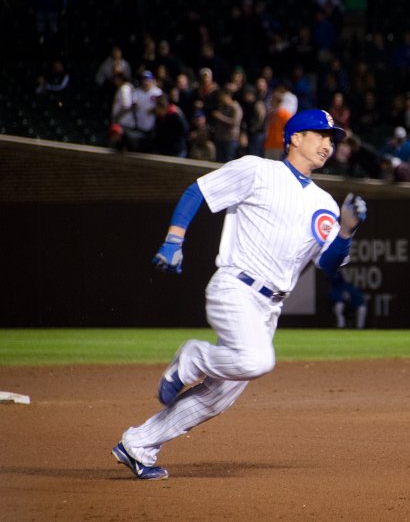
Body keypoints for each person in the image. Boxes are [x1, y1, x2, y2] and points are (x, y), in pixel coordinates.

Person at [111, 109, 367, 480]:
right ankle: (192, 358)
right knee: (256, 361)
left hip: (269, 308)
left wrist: (345, 232)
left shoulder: (325, 203)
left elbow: (328, 264)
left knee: (216, 397)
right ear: (294, 137)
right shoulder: (257, 170)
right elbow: (198, 189)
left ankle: (139, 445)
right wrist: (174, 239)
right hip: (236, 287)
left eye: (332, 139)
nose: (328, 144)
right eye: (320, 135)